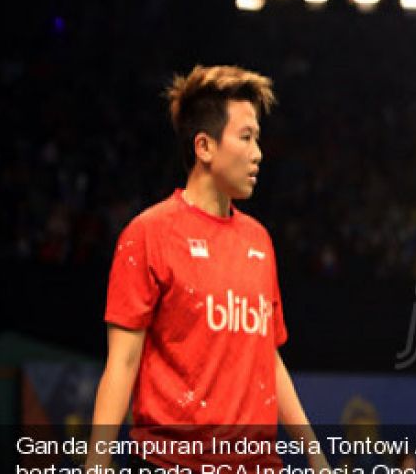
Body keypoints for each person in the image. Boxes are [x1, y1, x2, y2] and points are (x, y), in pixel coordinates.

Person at [85, 66, 326, 471]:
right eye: (246, 137)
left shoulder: (259, 242)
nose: (258, 153)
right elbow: (122, 363)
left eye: (258, 140)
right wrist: (96, 463)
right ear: (204, 146)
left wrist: (315, 457)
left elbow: (268, 356)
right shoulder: (148, 234)